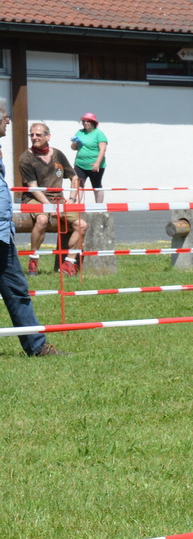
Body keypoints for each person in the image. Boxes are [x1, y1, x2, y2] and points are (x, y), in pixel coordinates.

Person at [0, 106, 60, 355]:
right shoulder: (26, 157)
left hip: (4, 232)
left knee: (17, 289)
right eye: (4, 117)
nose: (7, 121)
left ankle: (37, 347)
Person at [21, 122, 85, 275]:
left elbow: (74, 177)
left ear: (48, 136)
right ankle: (33, 259)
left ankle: (69, 263)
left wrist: (71, 198)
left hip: (59, 200)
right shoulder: (26, 158)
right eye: (32, 134)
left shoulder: (58, 154)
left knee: (82, 225)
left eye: (38, 134)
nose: (34, 137)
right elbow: (34, 188)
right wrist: (50, 207)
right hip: (34, 199)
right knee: (42, 220)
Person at [70, 113, 108, 204]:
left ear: (93, 122)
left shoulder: (98, 133)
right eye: (84, 121)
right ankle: (76, 206)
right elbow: (73, 148)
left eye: (88, 121)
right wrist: (75, 144)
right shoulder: (79, 132)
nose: (85, 123)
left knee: (96, 185)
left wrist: (97, 163)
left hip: (95, 165)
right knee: (78, 185)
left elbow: (103, 150)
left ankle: (99, 208)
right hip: (80, 164)